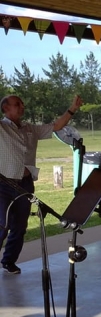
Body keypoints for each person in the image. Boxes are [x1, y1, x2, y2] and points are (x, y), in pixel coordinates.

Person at [0, 94, 82, 274]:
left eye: (22, 103)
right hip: (3, 185)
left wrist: (72, 109)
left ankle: (8, 261)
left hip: (25, 185)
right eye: (16, 104)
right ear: (5, 108)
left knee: (20, 227)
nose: (22, 106)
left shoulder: (30, 128)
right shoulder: (2, 127)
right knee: (2, 224)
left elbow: (56, 126)